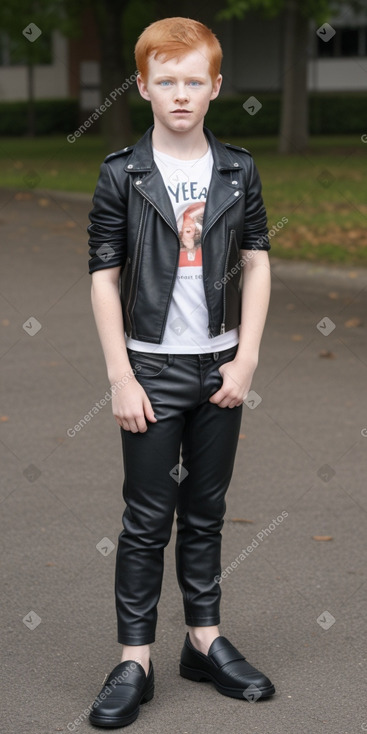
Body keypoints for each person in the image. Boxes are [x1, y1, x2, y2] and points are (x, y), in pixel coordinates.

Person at [87, 16, 274, 728]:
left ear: (215, 87)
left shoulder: (236, 168)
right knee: (145, 519)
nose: (180, 94)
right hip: (153, 369)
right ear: (142, 86)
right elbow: (105, 277)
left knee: (206, 511)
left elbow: (256, 261)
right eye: (165, 82)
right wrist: (121, 376)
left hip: (220, 363)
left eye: (193, 81)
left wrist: (246, 355)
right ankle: (133, 660)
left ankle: (203, 639)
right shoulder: (122, 174)